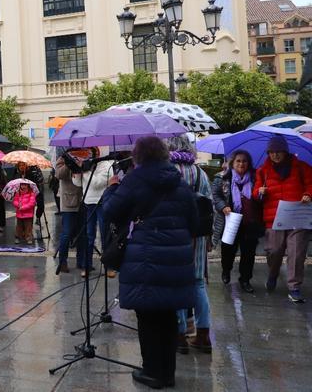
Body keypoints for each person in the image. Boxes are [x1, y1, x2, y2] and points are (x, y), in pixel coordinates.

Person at [101, 136, 198, 390]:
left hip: (145, 256)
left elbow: (111, 211)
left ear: (139, 156)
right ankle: (168, 373)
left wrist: (112, 187)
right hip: (176, 258)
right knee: (167, 316)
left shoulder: (134, 180)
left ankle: (153, 372)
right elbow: (195, 221)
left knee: (148, 318)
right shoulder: (179, 181)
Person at [167, 135, 213, 354]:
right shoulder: (200, 173)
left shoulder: (168, 171)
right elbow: (208, 204)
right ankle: (203, 335)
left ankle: (179, 335)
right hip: (198, 234)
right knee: (198, 283)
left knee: (176, 283)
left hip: (175, 233)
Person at [253, 135, 312, 303]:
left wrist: (308, 194)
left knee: (296, 252)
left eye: (278, 151)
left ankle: (294, 287)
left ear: (285, 151)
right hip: (274, 218)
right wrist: (259, 192)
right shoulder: (262, 171)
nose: (275, 155)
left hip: (298, 216)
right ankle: (273, 273)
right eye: (271, 152)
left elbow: (311, 184)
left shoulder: (302, 167)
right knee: (274, 251)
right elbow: (255, 193)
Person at [213, 149, 262, 294]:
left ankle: (245, 279)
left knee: (249, 253)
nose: (241, 164)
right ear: (232, 163)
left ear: (249, 163)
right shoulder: (222, 178)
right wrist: (223, 206)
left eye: (245, 161)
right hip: (230, 221)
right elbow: (215, 196)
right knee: (228, 250)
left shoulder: (255, 178)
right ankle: (226, 270)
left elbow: (260, 199)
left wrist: (261, 194)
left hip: (249, 222)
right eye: (238, 161)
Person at [71, 151, 114, 278]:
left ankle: (108, 267)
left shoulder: (106, 165)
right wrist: (77, 172)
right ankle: (86, 266)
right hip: (88, 203)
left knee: (105, 235)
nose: (89, 154)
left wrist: (86, 171)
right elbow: (78, 184)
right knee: (89, 236)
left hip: (102, 203)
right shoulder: (86, 164)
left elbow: (97, 183)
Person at [54, 150, 84, 274]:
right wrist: (69, 163)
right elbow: (59, 174)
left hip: (83, 199)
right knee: (66, 233)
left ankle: (81, 261)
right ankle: (63, 262)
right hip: (69, 201)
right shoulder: (63, 158)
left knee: (83, 233)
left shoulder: (86, 154)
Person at [14, 161, 45, 226]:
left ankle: (37, 217)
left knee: (40, 206)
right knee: (25, 212)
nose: (22, 167)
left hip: (34, 192)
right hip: (22, 196)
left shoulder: (32, 170)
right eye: (20, 165)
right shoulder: (17, 173)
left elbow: (38, 180)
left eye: (23, 165)